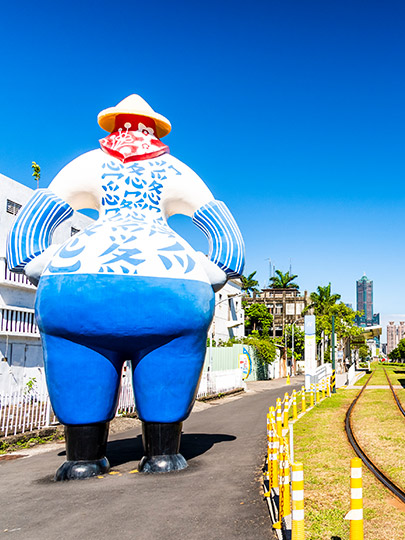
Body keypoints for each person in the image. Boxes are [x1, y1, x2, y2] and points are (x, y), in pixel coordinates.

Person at [7, 94, 244, 480]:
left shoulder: (86, 163)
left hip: (76, 290)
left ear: (113, 123)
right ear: (156, 127)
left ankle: (82, 457)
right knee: (167, 367)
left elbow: (27, 233)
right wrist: (210, 272)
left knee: (79, 366)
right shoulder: (174, 169)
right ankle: (162, 453)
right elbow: (227, 243)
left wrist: (41, 266)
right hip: (171, 286)